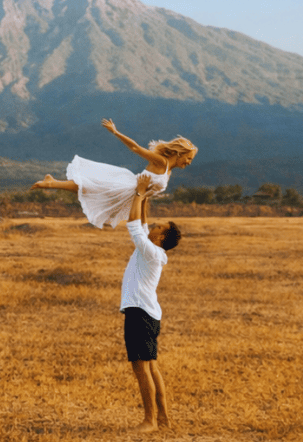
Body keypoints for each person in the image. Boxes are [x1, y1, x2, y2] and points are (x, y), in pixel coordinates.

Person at [31, 118, 197, 228]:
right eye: (188, 158)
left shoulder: (168, 172)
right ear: (179, 153)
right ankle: (51, 182)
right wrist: (116, 132)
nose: (189, 163)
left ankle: (51, 182)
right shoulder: (162, 162)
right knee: (92, 187)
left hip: (133, 194)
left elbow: (144, 197)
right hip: (127, 186)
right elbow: (135, 148)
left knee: (93, 189)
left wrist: (143, 225)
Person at [122, 173, 181, 433]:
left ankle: (150, 421)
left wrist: (138, 193)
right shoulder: (153, 249)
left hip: (140, 314)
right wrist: (144, 196)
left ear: (160, 237)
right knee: (152, 367)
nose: (154, 225)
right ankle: (164, 419)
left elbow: (133, 224)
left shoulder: (150, 251)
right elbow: (142, 222)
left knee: (141, 369)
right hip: (148, 315)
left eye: (159, 226)